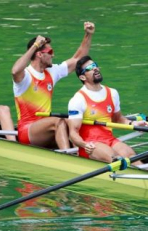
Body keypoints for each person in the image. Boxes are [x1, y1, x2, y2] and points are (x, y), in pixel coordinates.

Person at [11, 22, 95, 150]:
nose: (53, 55)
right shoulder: (25, 76)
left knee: (73, 121)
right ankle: (68, 158)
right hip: (27, 130)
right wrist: (34, 46)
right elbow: (15, 71)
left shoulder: (52, 72)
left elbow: (78, 59)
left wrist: (88, 35)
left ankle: (86, 151)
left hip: (46, 128)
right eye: (50, 51)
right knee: (59, 121)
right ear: (39, 54)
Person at [67, 55, 148, 164]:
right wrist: (84, 145)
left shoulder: (113, 93)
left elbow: (118, 119)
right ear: (83, 77)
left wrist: (134, 123)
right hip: (91, 145)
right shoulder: (78, 99)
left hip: (109, 139)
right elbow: (73, 134)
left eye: (95, 65)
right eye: (90, 68)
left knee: (131, 156)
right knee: (116, 159)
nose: (95, 68)